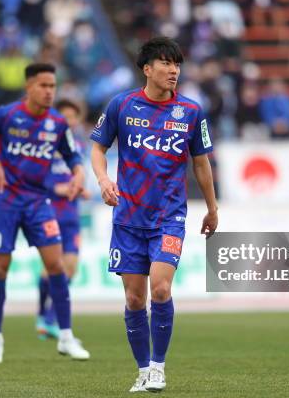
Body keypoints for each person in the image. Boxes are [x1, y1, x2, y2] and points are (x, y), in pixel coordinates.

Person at [90, 36, 219, 392]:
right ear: (147, 69)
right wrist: (102, 180)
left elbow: (201, 163)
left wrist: (211, 207)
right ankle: (143, 369)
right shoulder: (122, 105)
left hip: (169, 216)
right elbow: (98, 147)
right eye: (165, 63)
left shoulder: (191, 112)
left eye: (176, 64)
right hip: (129, 217)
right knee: (134, 298)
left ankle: (159, 367)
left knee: (160, 288)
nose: (173, 70)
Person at [0, 62, 90, 364]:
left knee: (56, 266)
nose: (49, 92)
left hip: (37, 203)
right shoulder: (7, 115)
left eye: (53, 86)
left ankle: (65, 336)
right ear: (29, 87)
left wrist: (78, 174)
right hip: (4, 201)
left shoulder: (58, 123)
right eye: (44, 86)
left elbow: (73, 154)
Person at [36, 99, 91, 339]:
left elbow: (78, 177)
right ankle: (46, 318)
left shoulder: (78, 147)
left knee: (70, 269)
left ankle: (46, 319)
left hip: (71, 216)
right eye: (64, 116)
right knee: (53, 270)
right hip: (49, 214)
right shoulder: (43, 147)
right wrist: (57, 189)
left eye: (73, 117)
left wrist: (80, 189)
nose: (69, 121)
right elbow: (36, 180)